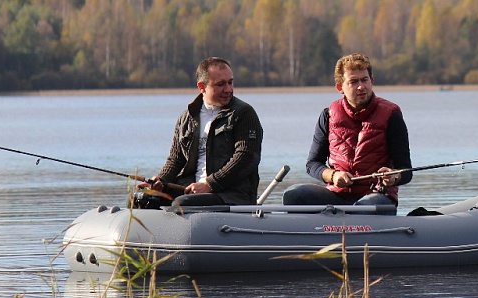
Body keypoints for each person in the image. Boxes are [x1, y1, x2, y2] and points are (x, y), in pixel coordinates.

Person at [282, 53, 411, 214]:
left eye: (364, 80)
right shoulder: (328, 115)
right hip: (337, 195)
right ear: (340, 87)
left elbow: (406, 171)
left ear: (372, 81)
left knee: (363, 207)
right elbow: (312, 164)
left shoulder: (392, 115)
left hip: (377, 197)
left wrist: (394, 177)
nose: (361, 87)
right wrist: (333, 175)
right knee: (294, 194)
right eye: (353, 82)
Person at [134, 57, 263, 208]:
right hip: (188, 190)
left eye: (230, 82)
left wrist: (210, 184)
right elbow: (176, 159)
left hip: (231, 195)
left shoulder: (244, 113)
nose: (228, 89)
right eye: (221, 84)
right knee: (138, 199)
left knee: (182, 204)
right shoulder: (186, 118)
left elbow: (246, 157)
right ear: (202, 87)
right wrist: (161, 181)